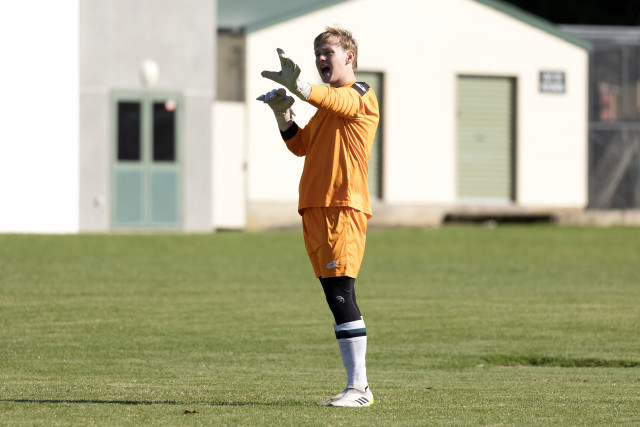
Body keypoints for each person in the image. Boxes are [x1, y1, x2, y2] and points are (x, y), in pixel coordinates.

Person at [257, 27, 379, 407]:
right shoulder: (328, 108)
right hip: (316, 208)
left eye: (328, 52)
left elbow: (335, 99)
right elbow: (301, 145)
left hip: (343, 207)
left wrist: (301, 88)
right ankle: (356, 388)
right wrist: (283, 114)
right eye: (317, 53)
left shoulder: (360, 95)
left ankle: (359, 389)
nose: (321, 58)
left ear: (349, 57)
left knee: (341, 292)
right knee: (334, 295)